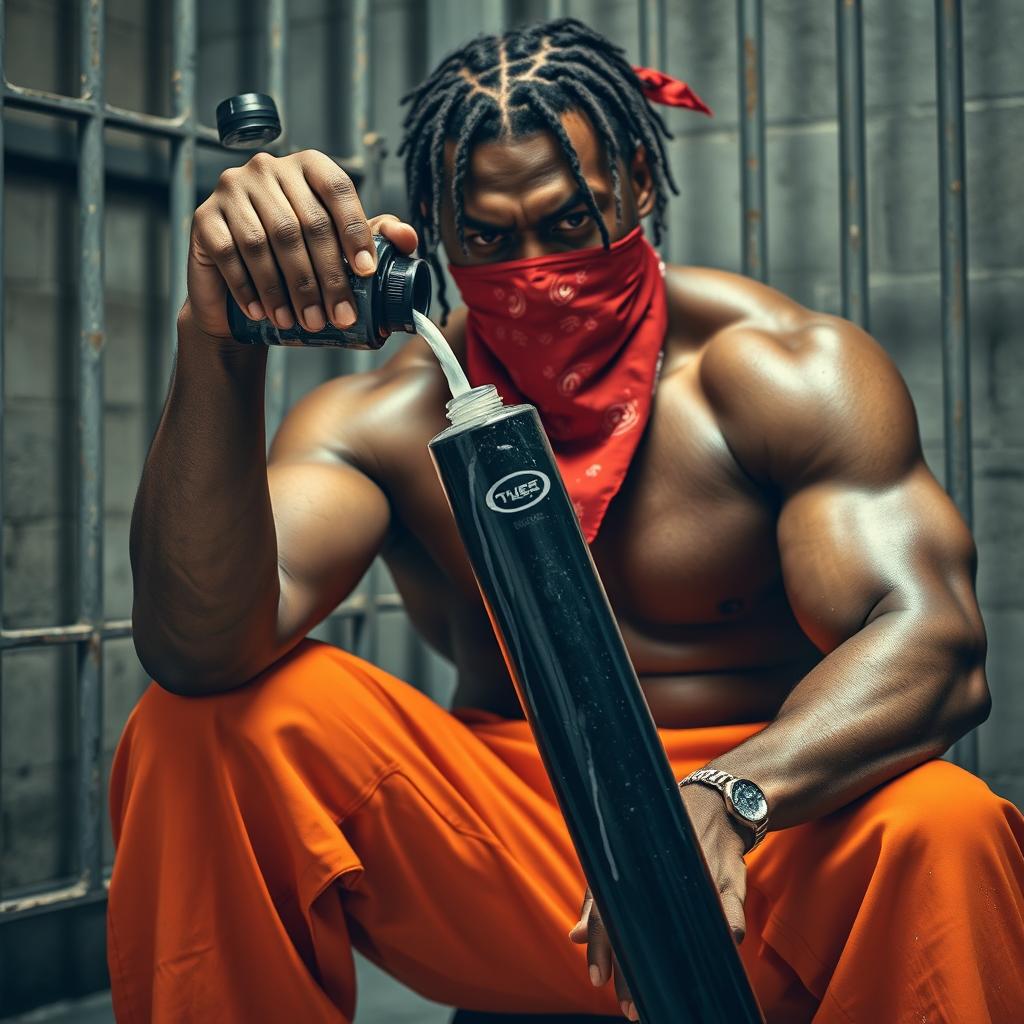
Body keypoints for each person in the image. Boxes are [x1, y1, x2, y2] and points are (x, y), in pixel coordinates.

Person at [109, 17, 1024, 1024]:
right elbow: (197, 647)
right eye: (491, 240)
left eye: (567, 221)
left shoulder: (782, 372)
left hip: (761, 850)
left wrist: (729, 793)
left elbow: (934, 641)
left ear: (636, 181)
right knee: (204, 725)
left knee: (947, 823)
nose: (537, 267)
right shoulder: (379, 418)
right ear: (433, 234)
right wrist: (220, 341)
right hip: (526, 863)